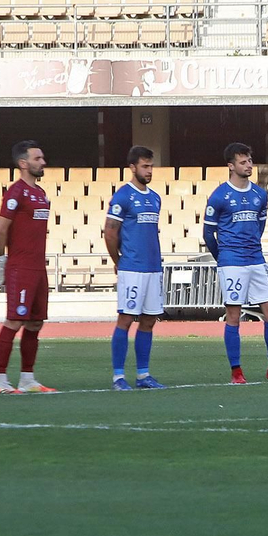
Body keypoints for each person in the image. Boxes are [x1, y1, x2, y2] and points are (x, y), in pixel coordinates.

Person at [204, 142, 268, 384]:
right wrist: (224, 259)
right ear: (231, 166)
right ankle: (236, 372)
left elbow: (259, 227)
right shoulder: (219, 196)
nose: (249, 165)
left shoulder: (259, 194)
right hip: (232, 263)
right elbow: (208, 234)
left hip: (256, 260)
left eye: (249, 160)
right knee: (234, 316)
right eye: (243, 162)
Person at [0, 140, 57, 394]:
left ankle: (27, 379)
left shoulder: (41, 194)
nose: (43, 162)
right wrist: (2, 261)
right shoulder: (15, 192)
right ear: (23, 163)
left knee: (35, 323)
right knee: (14, 321)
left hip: (38, 267)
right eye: (38, 158)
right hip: (21, 268)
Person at [104, 146, 167, 390]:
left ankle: (143, 375)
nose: (149, 170)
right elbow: (110, 232)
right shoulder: (123, 196)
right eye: (144, 166)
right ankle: (118, 377)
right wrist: (118, 261)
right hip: (132, 268)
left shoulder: (155, 197)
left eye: (151, 166)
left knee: (149, 320)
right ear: (132, 167)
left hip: (153, 268)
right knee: (126, 318)